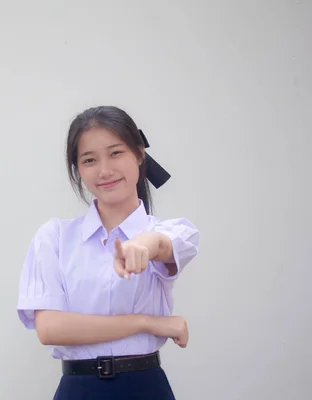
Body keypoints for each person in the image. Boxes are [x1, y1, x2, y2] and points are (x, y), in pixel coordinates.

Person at [16, 106, 199, 399]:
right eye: (89, 160)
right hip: (78, 389)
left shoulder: (173, 231)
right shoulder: (54, 237)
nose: (105, 170)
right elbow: (50, 329)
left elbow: (165, 245)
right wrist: (147, 322)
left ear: (139, 154)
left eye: (116, 153)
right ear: (78, 169)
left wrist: (145, 245)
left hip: (145, 388)